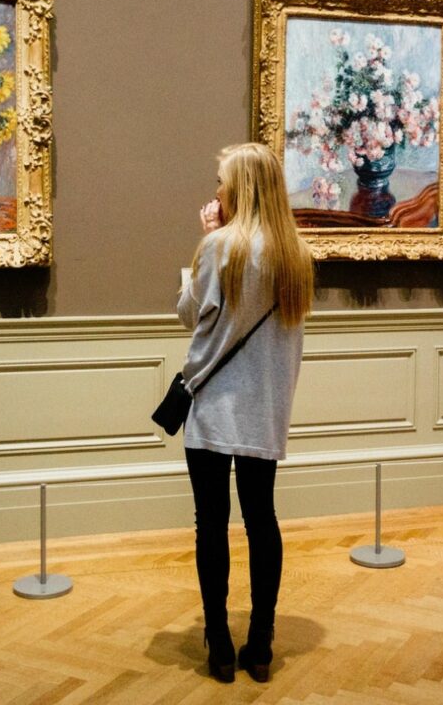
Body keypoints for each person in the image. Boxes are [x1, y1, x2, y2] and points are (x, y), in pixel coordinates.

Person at [177, 142, 314, 684]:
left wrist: (207, 240)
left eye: (222, 182)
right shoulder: (296, 255)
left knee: (211, 523)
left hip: (214, 403)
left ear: (242, 189)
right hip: (266, 404)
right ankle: (260, 641)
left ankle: (218, 642)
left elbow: (189, 314)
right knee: (262, 519)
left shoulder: (221, 248)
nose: (216, 191)